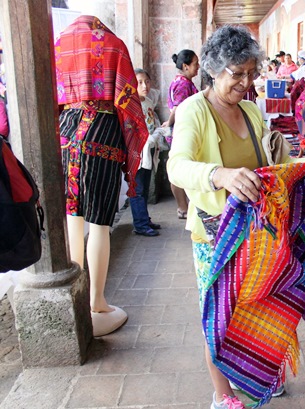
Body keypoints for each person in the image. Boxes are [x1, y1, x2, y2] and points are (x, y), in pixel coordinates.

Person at [166, 25, 305, 409]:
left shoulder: (251, 111)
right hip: (216, 236)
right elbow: (177, 167)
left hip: (259, 236)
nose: (245, 82)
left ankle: (257, 374)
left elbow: (273, 166)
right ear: (213, 69)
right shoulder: (194, 109)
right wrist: (219, 175)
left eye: (250, 73)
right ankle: (223, 396)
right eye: (236, 74)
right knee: (220, 317)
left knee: (258, 306)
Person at [55, 15, 149, 336]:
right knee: (99, 224)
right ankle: (96, 301)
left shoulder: (59, 45)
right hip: (102, 136)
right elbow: (127, 99)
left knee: (72, 220)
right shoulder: (114, 45)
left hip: (66, 134)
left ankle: (75, 300)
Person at [163, 49, 199, 219]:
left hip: (182, 129)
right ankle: (182, 207)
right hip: (180, 131)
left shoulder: (182, 81)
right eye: (195, 64)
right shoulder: (183, 84)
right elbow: (179, 108)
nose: (198, 67)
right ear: (185, 66)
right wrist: (168, 123)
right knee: (179, 168)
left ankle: (184, 207)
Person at [129, 68, 163, 236]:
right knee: (137, 189)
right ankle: (140, 224)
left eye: (147, 81)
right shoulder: (130, 105)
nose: (144, 85)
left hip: (148, 151)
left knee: (144, 186)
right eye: (140, 82)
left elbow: (151, 124)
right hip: (136, 154)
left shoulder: (148, 102)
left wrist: (157, 133)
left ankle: (145, 219)